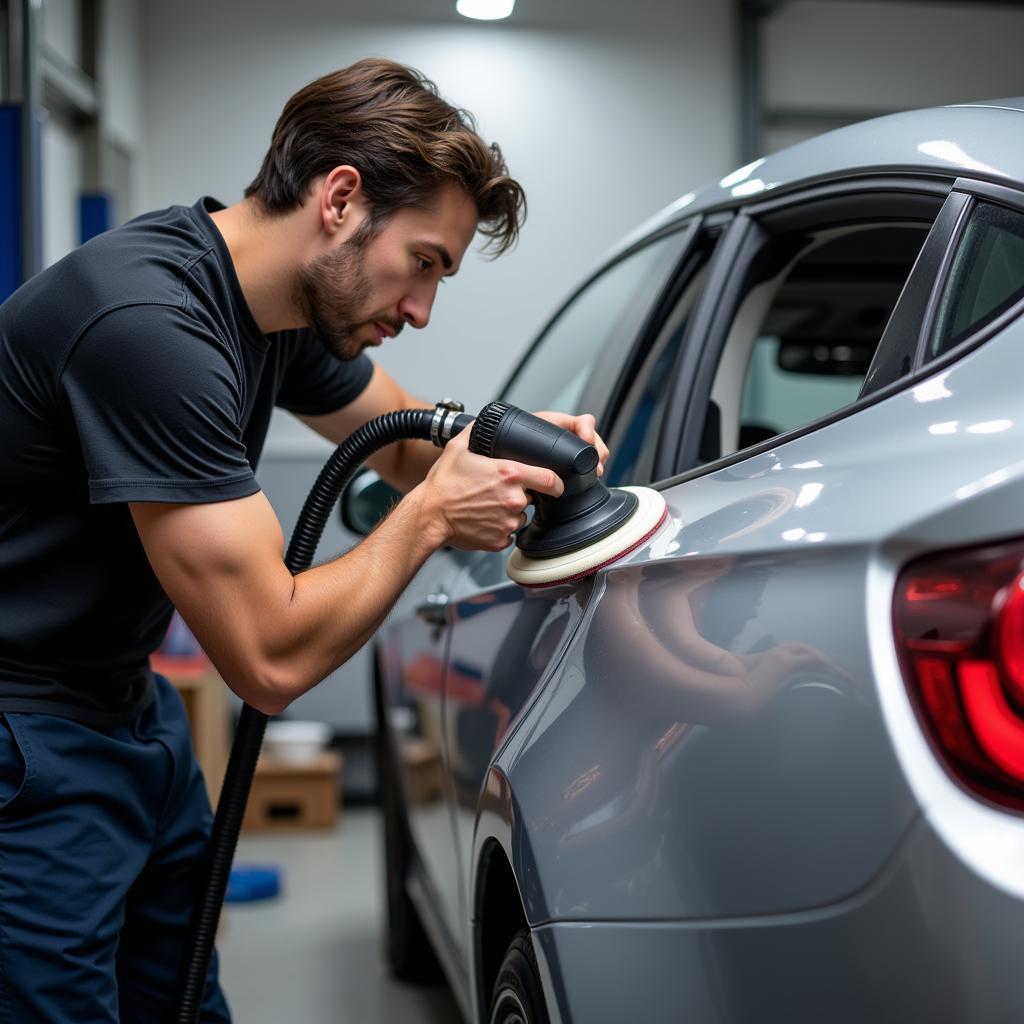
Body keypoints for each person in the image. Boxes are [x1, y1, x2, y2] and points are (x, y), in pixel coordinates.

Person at [0, 57, 606, 1022]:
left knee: (183, 1001)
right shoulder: (149, 327)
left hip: (124, 708)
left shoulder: (274, 310)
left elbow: (403, 439)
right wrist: (435, 517)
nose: (420, 309)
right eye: (425, 262)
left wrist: (516, 446)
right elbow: (268, 660)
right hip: (26, 735)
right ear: (340, 199)